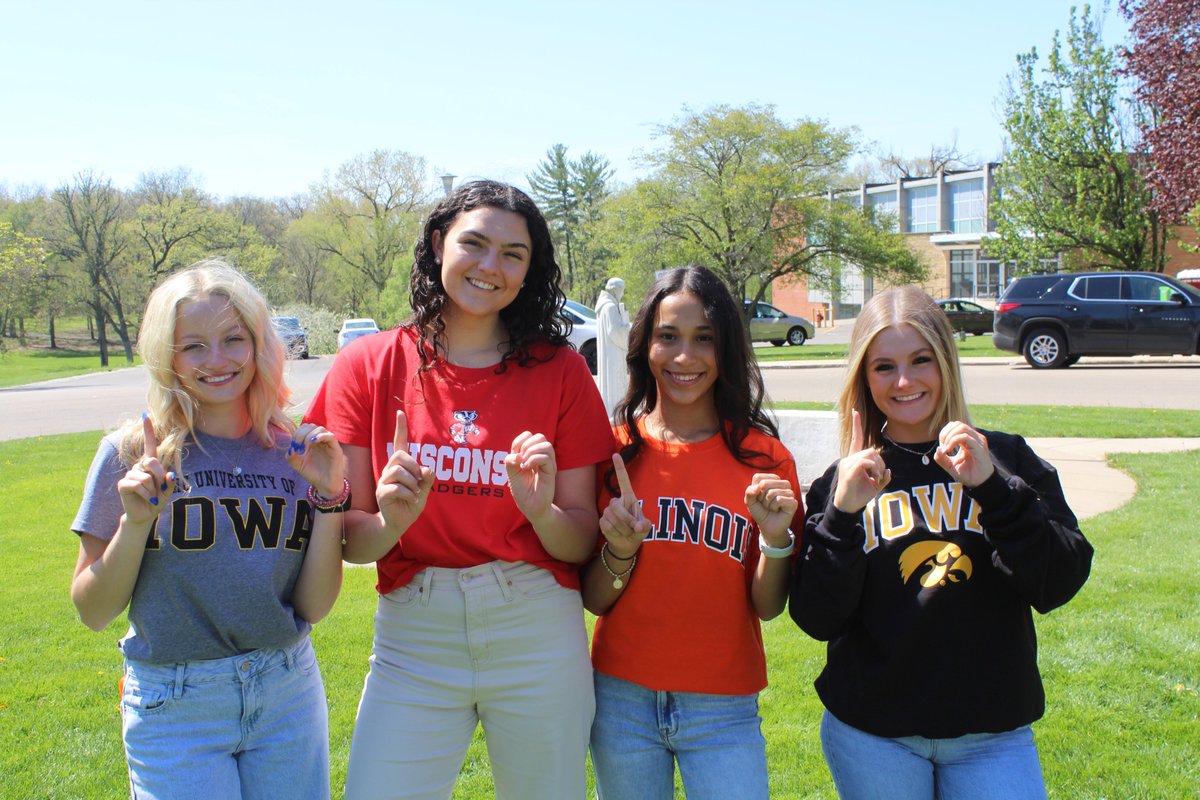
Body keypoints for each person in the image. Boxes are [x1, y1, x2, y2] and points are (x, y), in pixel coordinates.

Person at [305, 180, 614, 800]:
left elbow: (580, 541)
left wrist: (541, 511)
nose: (489, 266)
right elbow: (353, 544)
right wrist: (392, 520)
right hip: (414, 632)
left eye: (513, 254)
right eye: (473, 243)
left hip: (535, 626)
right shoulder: (368, 364)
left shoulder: (562, 371)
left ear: (531, 271)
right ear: (439, 244)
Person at [790, 286, 1093, 800]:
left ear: (946, 363)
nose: (904, 381)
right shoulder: (846, 480)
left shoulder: (1005, 457)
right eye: (884, 366)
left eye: (920, 360)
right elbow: (817, 618)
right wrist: (841, 514)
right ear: (865, 376)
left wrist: (993, 487)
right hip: (874, 733)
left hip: (991, 732)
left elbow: (1058, 581)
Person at [70, 260, 347, 800]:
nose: (216, 360)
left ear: (259, 343)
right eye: (193, 345)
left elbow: (312, 608)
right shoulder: (129, 455)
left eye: (233, 339)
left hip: (286, 691)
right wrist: (136, 523)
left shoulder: (296, 451)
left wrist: (331, 498)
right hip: (177, 704)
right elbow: (93, 611)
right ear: (165, 355)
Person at [581, 265, 801, 800]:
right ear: (644, 346)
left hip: (723, 705)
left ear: (726, 348)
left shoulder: (764, 459)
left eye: (704, 338)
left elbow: (767, 607)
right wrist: (620, 552)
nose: (685, 356)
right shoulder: (614, 454)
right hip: (621, 699)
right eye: (668, 337)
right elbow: (594, 600)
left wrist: (775, 540)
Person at [595, 276, 632, 416]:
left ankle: (612, 409)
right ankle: (615, 411)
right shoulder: (609, 307)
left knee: (611, 381)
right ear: (616, 290)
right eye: (621, 290)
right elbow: (614, 331)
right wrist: (627, 326)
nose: (622, 293)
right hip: (614, 352)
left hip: (610, 350)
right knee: (614, 382)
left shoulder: (603, 306)